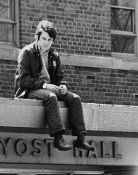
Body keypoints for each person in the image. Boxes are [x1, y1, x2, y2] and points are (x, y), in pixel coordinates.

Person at [14, 20, 93, 152]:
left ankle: (81, 138)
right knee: (51, 96)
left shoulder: (54, 55)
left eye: (49, 40)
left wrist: (62, 85)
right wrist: (45, 86)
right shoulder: (26, 52)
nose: (46, 42)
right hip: (29, 90)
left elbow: (60, 77)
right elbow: (24, 80)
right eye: (44, 38)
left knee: (75, 98)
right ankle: (58, 138)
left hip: (49, 88)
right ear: (37, 37)